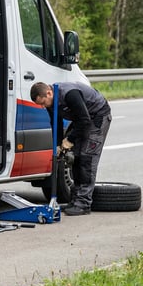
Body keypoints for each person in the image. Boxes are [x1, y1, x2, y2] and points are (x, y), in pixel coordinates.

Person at [30, 81, 112, 215]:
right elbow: (55, 123)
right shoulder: (51, 101)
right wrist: (57, 145)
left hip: (97, 117)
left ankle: (84, 204)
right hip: (82, 120)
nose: (43, 106)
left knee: (87, 159)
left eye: (43, 103)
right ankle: (75, 201)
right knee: (75, 157)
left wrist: (69, 140)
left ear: (49, 93)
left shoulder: (69, 94)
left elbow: (84, 120)